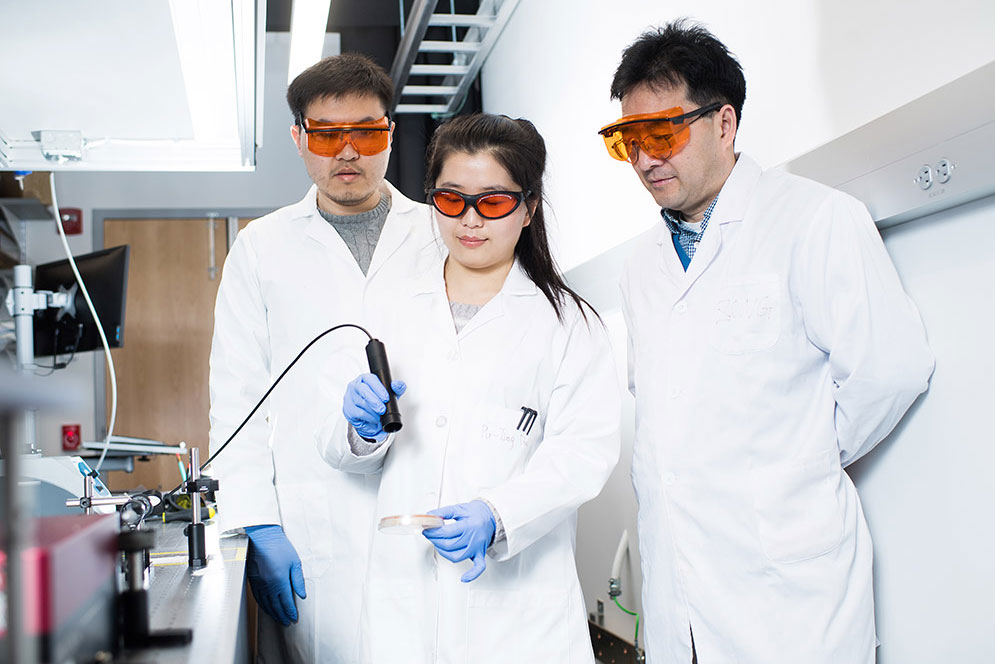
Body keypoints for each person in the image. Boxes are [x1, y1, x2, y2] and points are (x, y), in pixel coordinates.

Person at [600, 20, 935, 664]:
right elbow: (661, 409)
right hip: (682, 600)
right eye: (626, 140)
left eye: (661, 132)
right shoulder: (640, 267)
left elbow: (890, 371)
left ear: (724, 124)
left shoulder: (813, 219)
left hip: (789, 605)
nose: (644, 158)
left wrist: (796, 462)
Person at [317, 113, 621, 663]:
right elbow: (344, 452)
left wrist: (498, 514)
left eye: (495, 201)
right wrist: (359, 431)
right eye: (452, 200)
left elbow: (583, 455)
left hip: (520, 617)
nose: (471, 220)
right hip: (402, 608)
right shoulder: (389, 306)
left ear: (529, 209)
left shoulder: (570, 325)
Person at [208, 53, 438, 663]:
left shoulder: (440, 233)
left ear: (389, 133)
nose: (347, 151)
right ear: (298, 138)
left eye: (365, 132)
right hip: (311, 523)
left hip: (423, 509)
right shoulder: (260, 248)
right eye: (327, 134)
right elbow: (237, 395)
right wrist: (257, 522)